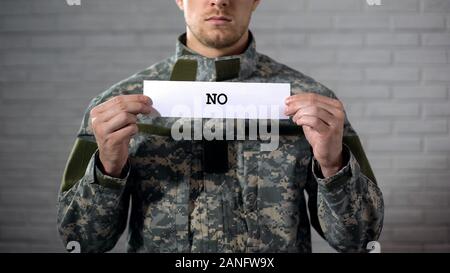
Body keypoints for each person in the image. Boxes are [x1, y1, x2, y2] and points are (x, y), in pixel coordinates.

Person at [57, 0, 384, 253]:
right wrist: (109, 170)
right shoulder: (117, 106)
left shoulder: (313, 104)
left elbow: (359, 241)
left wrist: (332, 165)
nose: (219, 0)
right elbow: (81, 242)